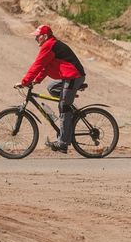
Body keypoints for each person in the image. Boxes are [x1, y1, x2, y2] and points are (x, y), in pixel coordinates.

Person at [14, 24, 86, 152]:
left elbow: (37, 65)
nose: (36, 39)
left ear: (45, 36)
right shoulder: (50, 45)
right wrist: (36, 81)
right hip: (69, 76)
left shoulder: (49, 45)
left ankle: (63, 143)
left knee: (63, 107)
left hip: (73, 76)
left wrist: (25, 82)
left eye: (38, 36)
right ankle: (68, 101)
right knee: (52, 87)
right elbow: (45, 67)